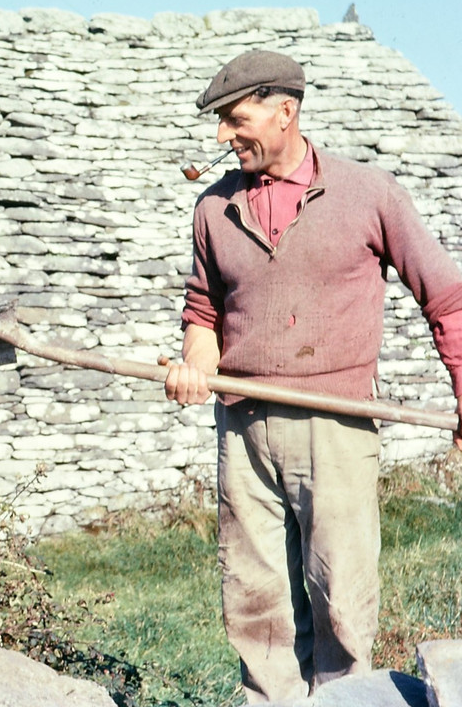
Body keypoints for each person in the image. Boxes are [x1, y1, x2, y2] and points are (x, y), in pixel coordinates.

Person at [162, 49, 462, 703]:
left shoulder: (367, 193)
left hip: (337, 426)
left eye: (234, 119)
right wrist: (194, 368)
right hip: (243, 430)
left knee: (341, 601)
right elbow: (204, 311)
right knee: (255, 600)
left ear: (285, 112)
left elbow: (446, 298)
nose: (221, 136)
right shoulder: (214, 209)